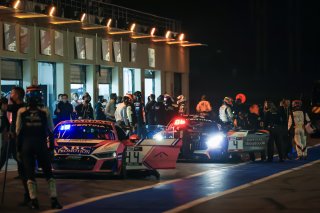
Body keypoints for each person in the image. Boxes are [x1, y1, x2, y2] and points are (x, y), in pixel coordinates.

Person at [16, 85, 62, 209]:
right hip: (41, 145)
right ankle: (54, 200)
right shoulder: (45, 111)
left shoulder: (21, 112)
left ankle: (34, 201)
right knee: (49, 174)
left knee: (30, 174)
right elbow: (51, 130)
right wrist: (52, 148)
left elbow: (18, 132)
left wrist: (18, 150)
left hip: (26, 145)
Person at [2, 87, 31, 205]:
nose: (11, 95)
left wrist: (2, 101)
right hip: (14, 138)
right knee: (21, 168)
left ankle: (29, 196)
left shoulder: (19, 107)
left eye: (12, 93)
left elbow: (4, 107)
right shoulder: (22, 106)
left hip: (18, 140)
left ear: (18, 95)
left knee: (22, 168)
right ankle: (29, 195)